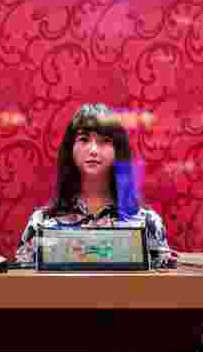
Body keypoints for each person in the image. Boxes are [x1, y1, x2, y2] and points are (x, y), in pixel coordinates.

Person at [15, 103, 172, 269]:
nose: (93, 150)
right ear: (70, 149)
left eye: (104, 141)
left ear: (118, 151)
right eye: (84, 139)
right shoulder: (42, 222)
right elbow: (23, 284)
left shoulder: (147, 222)